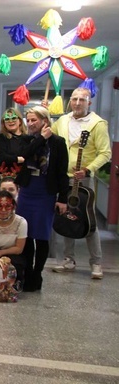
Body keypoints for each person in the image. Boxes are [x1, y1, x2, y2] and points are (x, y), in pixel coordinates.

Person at [50, 87, 111, 280]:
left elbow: (106, 153)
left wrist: (88, 169)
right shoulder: (63, 120)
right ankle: (69, 260)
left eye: (81, 100)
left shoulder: (97, 124)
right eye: (74, 99)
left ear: (89, 102)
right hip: (63, 178)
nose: (77, 103)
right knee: (68, 217)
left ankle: (96, 263)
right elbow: (48, 135)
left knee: (88, 219)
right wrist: (44, 116)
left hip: (83, 179)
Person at [17, 106, 69, 292]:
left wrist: (63, 198)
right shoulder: (26, 139)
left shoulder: (58, 142)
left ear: (45, 121)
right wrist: (41, 138)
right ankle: (27, 271)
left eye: (34, 120)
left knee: (41, 236)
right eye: (28, 120)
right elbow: (25, 153)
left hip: (45, 193)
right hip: (27, 192)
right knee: (26, 234)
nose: (30, 124)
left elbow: (62, 173)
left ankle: (37, 274)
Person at [0, 108, 29, 191]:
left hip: (23, 180)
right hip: (3, 180)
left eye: (13, 118)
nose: (10, 121)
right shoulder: (0, 138)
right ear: (3, 123)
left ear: (20, 121)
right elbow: (0, 156)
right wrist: (17, 159)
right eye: (7, 119)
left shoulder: (28, 139)